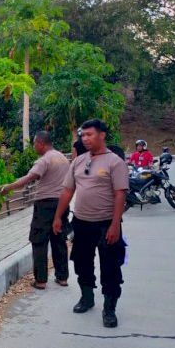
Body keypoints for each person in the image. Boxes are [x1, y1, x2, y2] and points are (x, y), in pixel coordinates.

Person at [52, 118, 128, 328]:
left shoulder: (115, 162)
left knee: (110, 267)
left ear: (102, 135)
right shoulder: (78, 161)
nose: (85, 139)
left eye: (89, 135)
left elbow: (120, 194)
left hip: (106, 223)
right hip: (81, 223)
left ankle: (109, 308)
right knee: (81, 262)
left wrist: (115, 225)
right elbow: (68, 190)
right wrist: (58, 216)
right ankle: (87, 297)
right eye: (82, 135)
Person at [0, 131, 69, 290]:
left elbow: (29, 177)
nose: (34, 146)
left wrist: (9, 187)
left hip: (45, 205)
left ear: (41, 143)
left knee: (39, 241)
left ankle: (41, 280)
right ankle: (62, 277)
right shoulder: (62, 158)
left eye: (34, 143)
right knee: (59, 240)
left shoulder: (44, 160)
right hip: (62, 204)